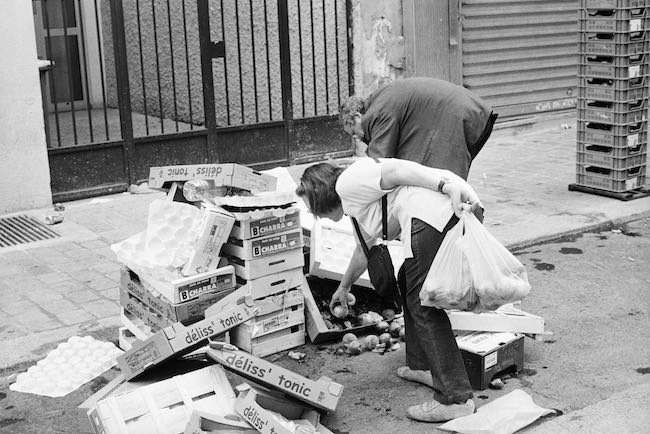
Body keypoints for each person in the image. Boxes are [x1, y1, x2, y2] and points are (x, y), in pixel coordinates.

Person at [296, 157, 483, 422]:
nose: (315, 214)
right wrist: (344, 286)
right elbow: (365, 248)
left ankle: (455, 398)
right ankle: (423, 366)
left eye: (312, 206)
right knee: (408, 281)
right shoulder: (355, 204)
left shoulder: (348, 182)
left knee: (424, 305)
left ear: (320, 193)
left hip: (443, 210)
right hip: (441, 213)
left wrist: (445, 187)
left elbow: (396, 171)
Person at [339, 77, 498, 181]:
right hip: (469, 111)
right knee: (433, 176)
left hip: (460, 115)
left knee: (444, 180)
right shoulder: (380, 101)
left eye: (353, 133)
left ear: (357, 117)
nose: (357, 139)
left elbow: (380, 161)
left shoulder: (377, 112)